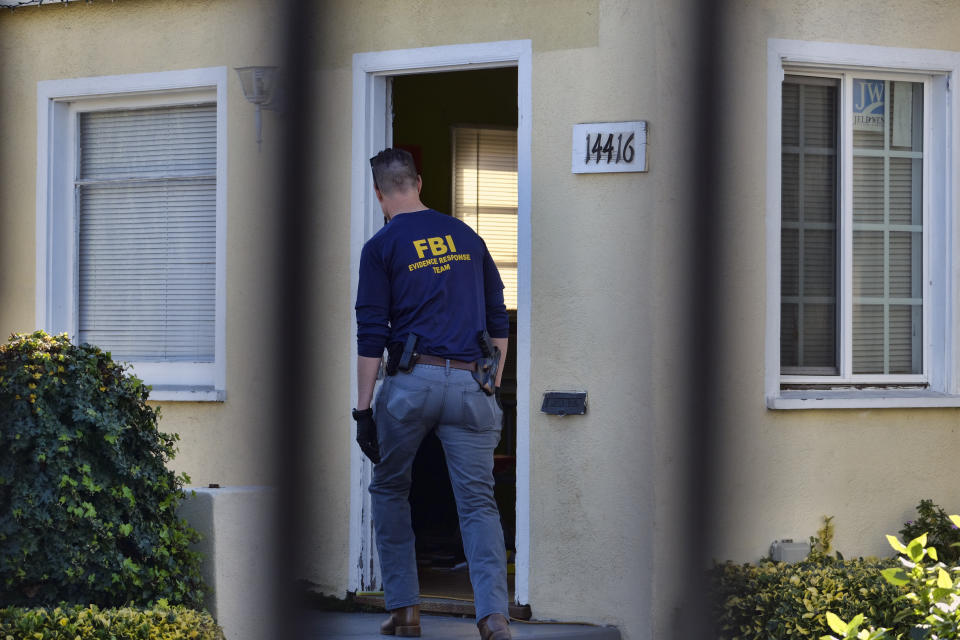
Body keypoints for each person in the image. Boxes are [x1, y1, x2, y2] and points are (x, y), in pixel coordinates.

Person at [352, 147, 512, 640]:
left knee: (389, 488)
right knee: (479, 503)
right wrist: (493, 382)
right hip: (471, 384)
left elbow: (371, 333)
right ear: (419, 183)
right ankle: (493, 618)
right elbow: (498, 318)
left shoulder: (382, 246)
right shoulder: (468, 236)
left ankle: (406, 611)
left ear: (379, 194)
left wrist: (362, 412)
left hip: (410, 384)